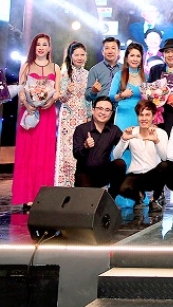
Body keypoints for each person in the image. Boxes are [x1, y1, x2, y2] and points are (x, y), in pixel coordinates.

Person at [13, 33, 61, 211]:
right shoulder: (26, 66)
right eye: (38, 44)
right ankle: (27, 196)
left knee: (45, 154)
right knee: (28, 153)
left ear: (49, 48)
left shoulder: (55, 68)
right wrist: (27, 104)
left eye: (44, 44)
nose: (41, 47)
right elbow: (20, 89)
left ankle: (43, 195)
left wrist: (51, 100)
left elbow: (57, 91)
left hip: (47, 115)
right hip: (30, 113)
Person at [113, 99, 169, 209]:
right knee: (123, 189)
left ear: (153, 116)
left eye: (147, 115)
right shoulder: (131, 132)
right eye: (141, 115)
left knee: (165, 166)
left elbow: (165, 157)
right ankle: (139, 197)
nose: (144, 118)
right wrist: (123, 139)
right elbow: (116, 156)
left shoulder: (161, 134)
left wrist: (156, 141)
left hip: (153, 175)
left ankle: (155, 199)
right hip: (136, 174)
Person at [72, 96, 127, 198]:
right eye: (100, 108)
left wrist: (127, 138)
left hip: (103, 174)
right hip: (85, 175)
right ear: (93, 110)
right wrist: (85, 146)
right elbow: (76, 154)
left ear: (111, 113)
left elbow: (127, 146)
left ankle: (110, 199)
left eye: (107, 110)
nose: (103, 112)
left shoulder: (114, 130)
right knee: (87, 204)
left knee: (120, 164)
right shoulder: (81, 129)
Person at [56, 41, 91, 187]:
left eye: (82, 55)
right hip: (68, 118)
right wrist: (68, 91)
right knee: (67, 151)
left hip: (83, 117)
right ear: (71, 56)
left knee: (82, 149)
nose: (80, 58)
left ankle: (81, 183)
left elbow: (89, 99)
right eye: (76, 55)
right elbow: (61, 98)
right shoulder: (64, 74)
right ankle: (65, 184)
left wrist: (89, 116)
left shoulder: (89, 74)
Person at [109, 42, 145, 131]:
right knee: (121, 139)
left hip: (140, 117)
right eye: (132, 55)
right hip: (123, 116)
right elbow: (111, 97)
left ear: (141, 59)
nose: (135, 59)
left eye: (138, 56)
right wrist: (122, 95)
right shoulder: (119, 75)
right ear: (126, 58)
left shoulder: (146, 77)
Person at [85, 37, 122, 105]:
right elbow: (87, 97)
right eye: (107, 48)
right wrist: (93, 92)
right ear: (102, 52)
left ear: (119, 51)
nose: (110, 51)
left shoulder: (125, 70)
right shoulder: (94, 70)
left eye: (113, 48)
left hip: (120, 109)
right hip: (101, 109)